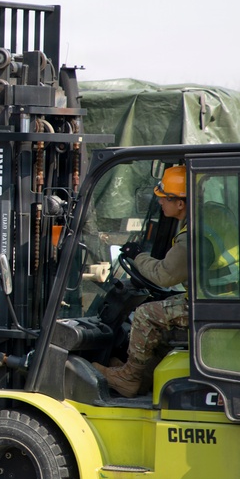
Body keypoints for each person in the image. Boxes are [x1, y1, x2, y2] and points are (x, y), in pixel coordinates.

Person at [94, 165, 188, 397]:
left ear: (180, 203)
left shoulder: (191, 235)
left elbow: (164, 275)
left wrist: (137, 256)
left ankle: (129, 378)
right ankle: (144, 375)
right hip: (220, 301)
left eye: (164, 198)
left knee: (147, 314)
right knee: (165, 315)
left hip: (212, 307)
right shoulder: (208, 221)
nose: (160, 202)